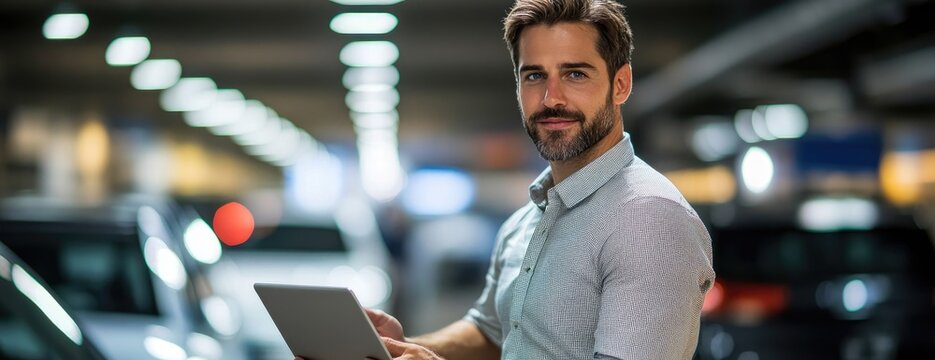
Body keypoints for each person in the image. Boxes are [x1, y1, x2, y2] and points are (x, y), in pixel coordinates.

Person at [303, 0, 715, 359]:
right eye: (534, 75)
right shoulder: (528, 220)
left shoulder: (650, 221)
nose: (552, 98)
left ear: (620, 84)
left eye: (575, 74)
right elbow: (492, 333)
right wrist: (398, 347)